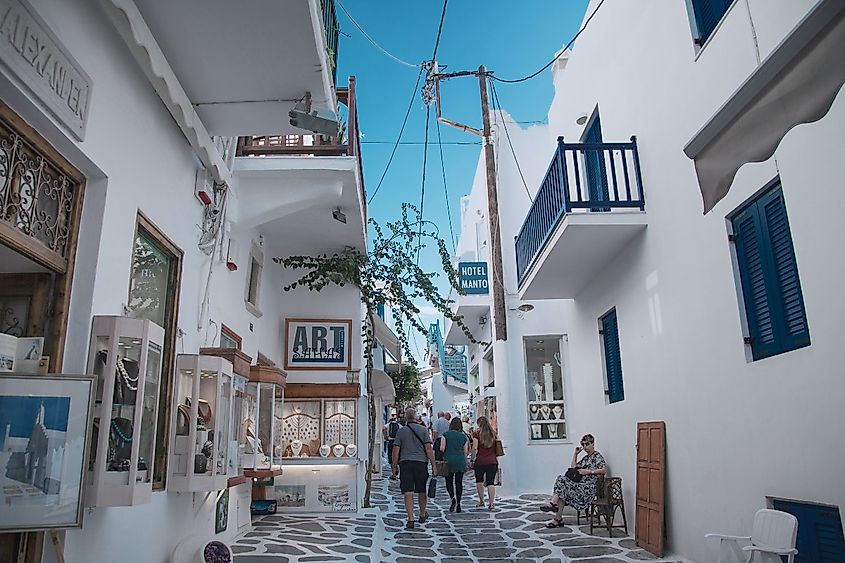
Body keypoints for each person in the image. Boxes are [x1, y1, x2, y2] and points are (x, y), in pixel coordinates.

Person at [541, 433, 607, 528]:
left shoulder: (597, 456)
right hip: (580, 486)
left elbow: (604, 470)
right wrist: (575, 454)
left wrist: (589, 471)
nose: (585, 446)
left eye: (587, 444)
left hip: (588, 488)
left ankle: (553, 506)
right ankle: (557, 518)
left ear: (592, 444)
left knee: (562, 482)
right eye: (583, 444)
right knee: (562, 487)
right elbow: (573, 467)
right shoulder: (585, 458)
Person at [391, 407, 437, 529]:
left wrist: (394, 466)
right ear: (416, 417)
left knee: (408, 491)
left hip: (405, 463)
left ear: (406, 417)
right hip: (421, 463)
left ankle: (410, 518)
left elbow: (396, 449)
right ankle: (422, 514)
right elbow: (428, 449)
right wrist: (433, 465)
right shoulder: (423, 430)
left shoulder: (401, 432)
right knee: (421, 489)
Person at [440, 416, 469, 513]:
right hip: (460, 460)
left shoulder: (445, 435)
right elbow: (466, 451)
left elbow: (442, 448)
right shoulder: (463, 436)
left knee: (449, 482)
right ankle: (459, 503)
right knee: (459, 482)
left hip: (449, 461)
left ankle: (452, 498)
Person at [472, 416, 500, 511]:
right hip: (492, 460)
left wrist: (472, 458)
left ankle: (481, 501)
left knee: (479, 481)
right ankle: (491, 504)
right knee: (490, 482)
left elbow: (475, 448)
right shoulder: (493, 433)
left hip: (480, 461)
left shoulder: (477, 434)